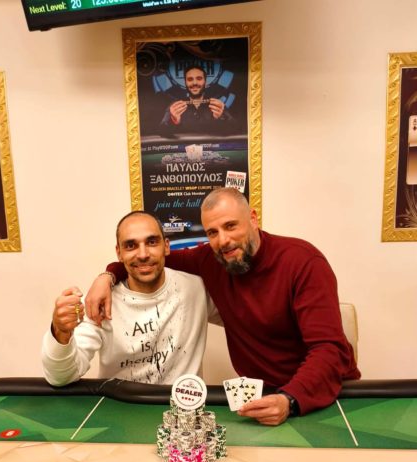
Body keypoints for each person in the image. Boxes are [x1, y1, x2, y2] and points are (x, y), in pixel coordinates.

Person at [85, 189, 360, 426]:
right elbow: (150, 260)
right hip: (264, 398)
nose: (223, 240)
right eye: (212, 232)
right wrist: (107, 276)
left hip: (322, 393)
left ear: (253, 219)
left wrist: (290, 399)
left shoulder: (303, 262)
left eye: (231, 226)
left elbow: (329, 349)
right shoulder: (212, 258)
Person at [42, 211, 219, 387]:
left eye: (151, 242)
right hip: (118, 403)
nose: (142, 254)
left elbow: (234, 315)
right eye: (130, 245)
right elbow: (60, 378)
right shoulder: (99, 301)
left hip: (181, 404)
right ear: (119, 253)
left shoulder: (196, 288)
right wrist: (61, 332)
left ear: (166, 246)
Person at [160, 66, 230, 135]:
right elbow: (162, 130)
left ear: (205, 82)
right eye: (190, 79)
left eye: (199, 79)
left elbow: (233, 127)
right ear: (185, 83)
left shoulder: (217, 105)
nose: (194, 83)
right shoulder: (175, 106)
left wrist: (222, 117)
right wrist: (173, 121)